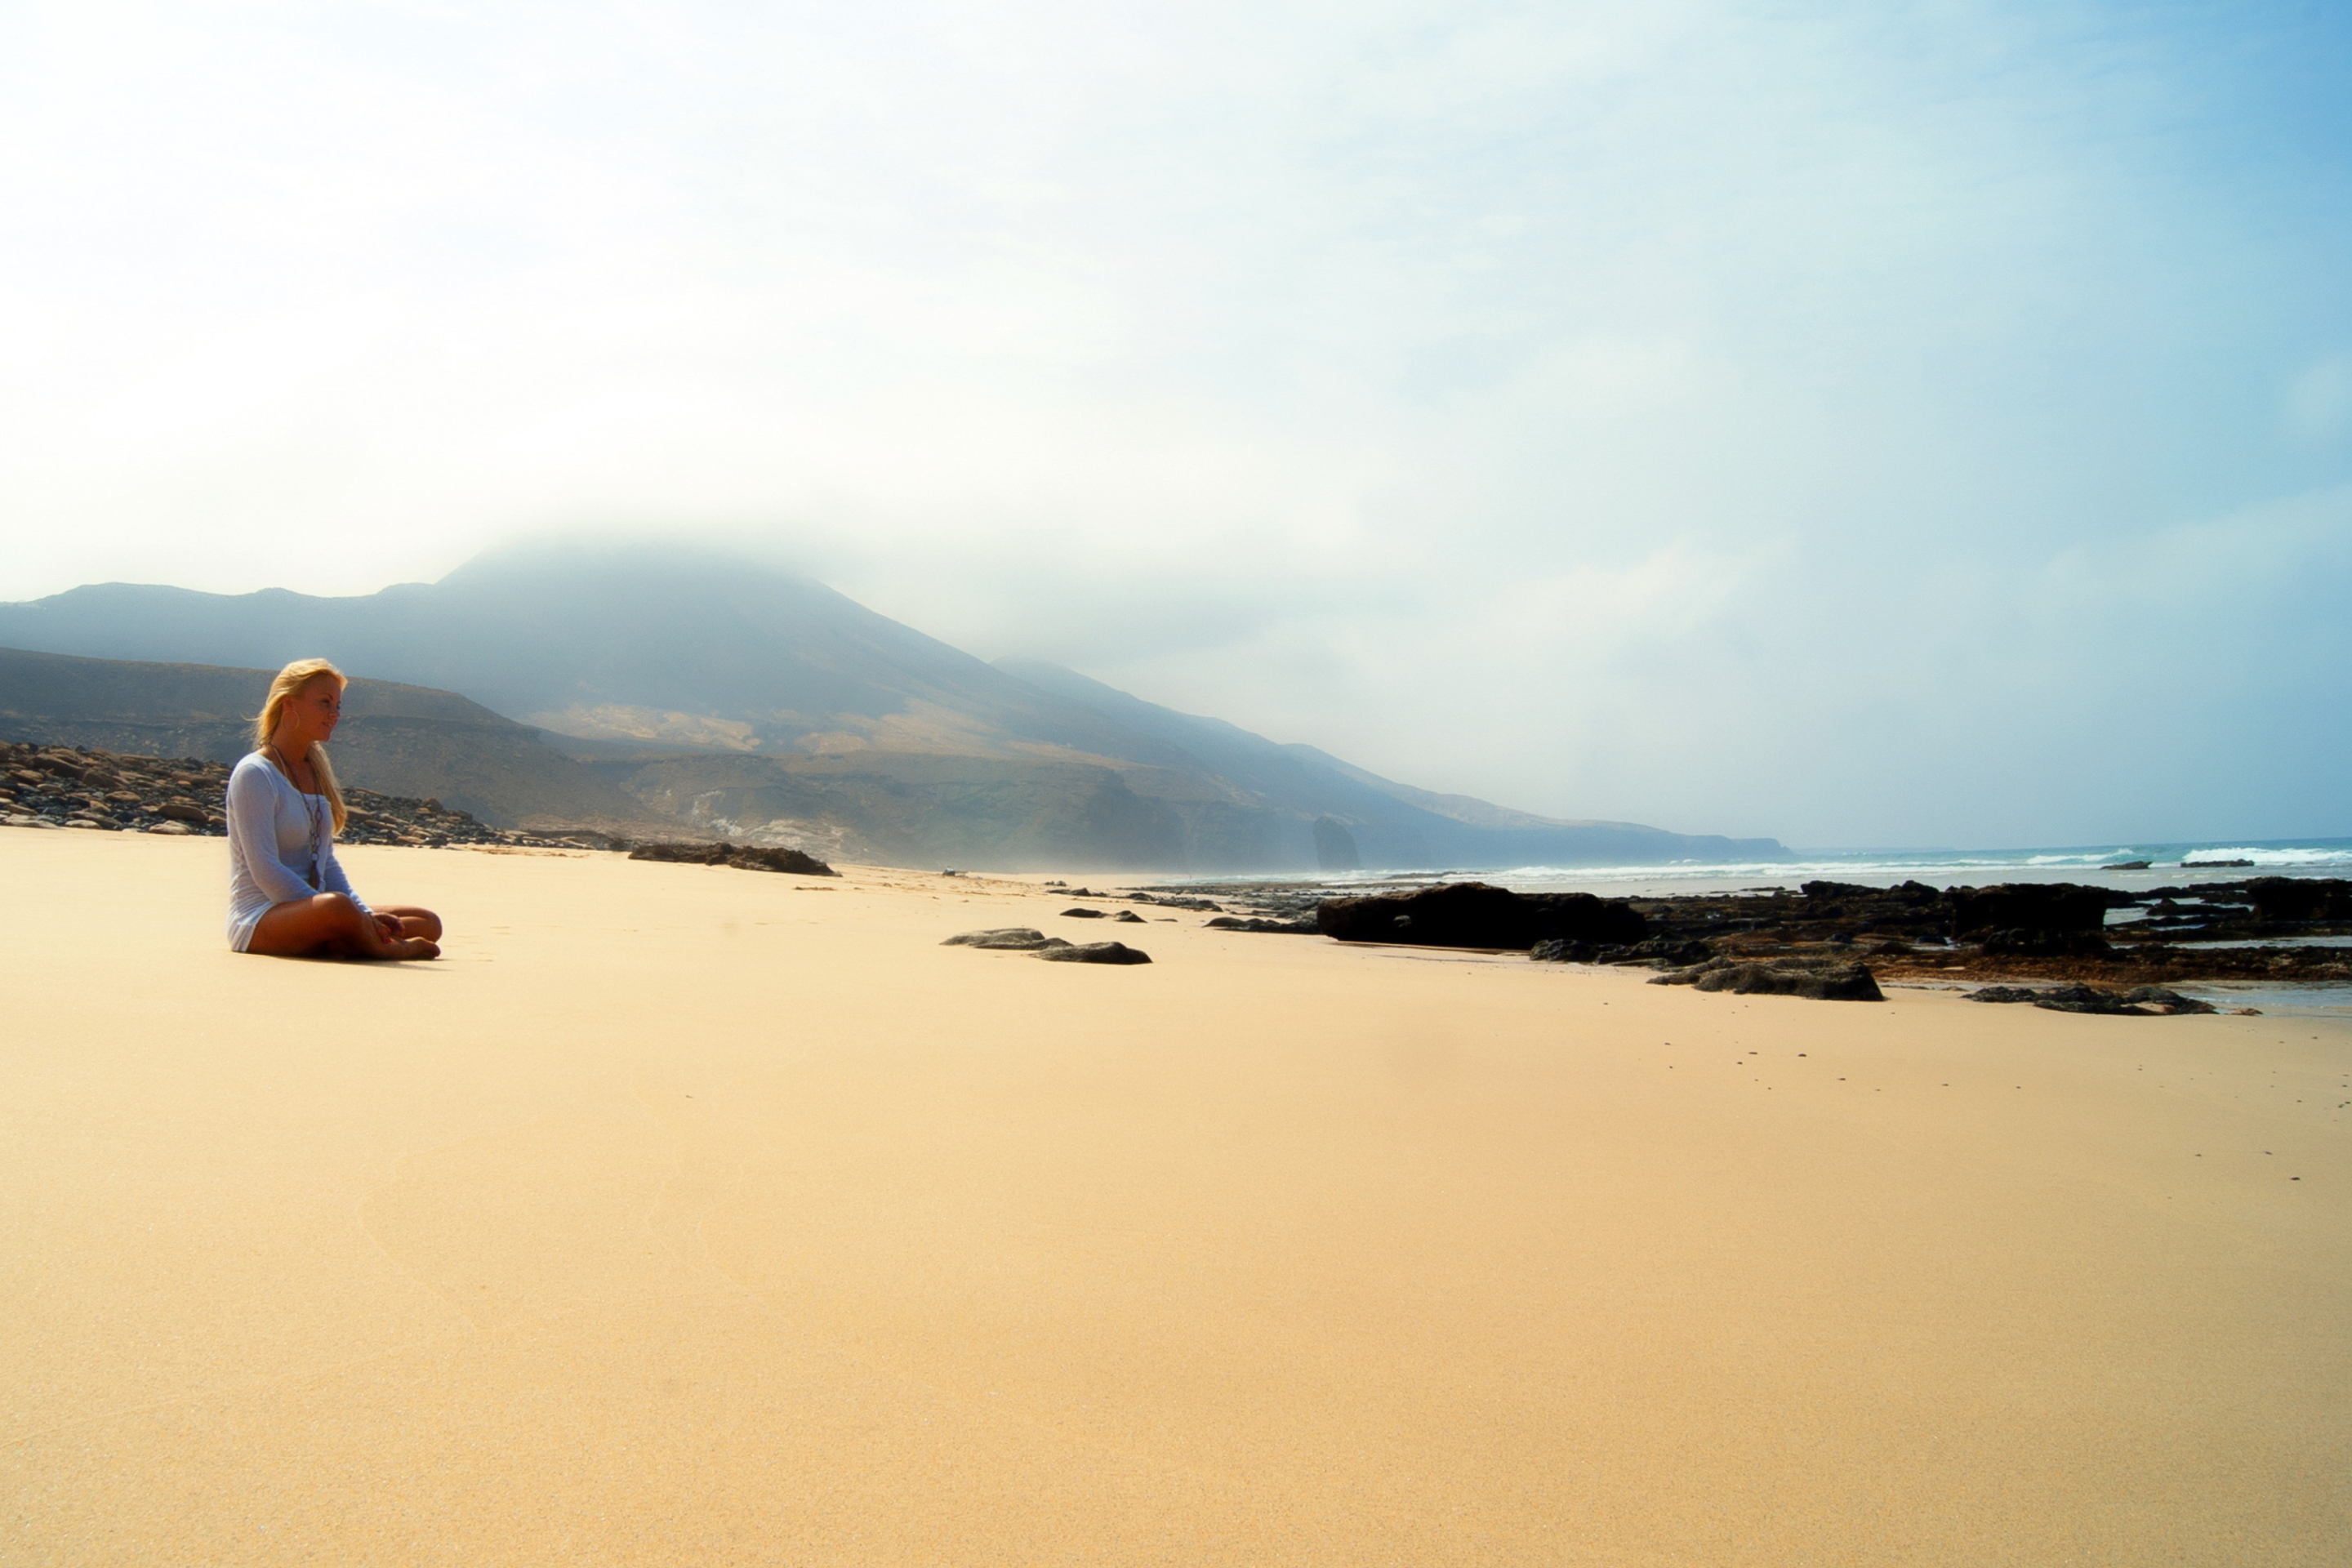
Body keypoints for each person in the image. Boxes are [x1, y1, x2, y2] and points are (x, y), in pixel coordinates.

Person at [227, 658, 442, 960]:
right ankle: (384, 948)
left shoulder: (315, 771)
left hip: (320, 908)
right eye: (325, 703)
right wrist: (343, 913)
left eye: (338, 706)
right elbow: (264, 870)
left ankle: (349, 938)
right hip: (263, 916)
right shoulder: (255, 773)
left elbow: (327, 863)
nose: (334, 714)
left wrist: (364, 913)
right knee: (337, 907)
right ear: (289, 705)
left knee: (426, 921)